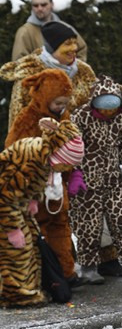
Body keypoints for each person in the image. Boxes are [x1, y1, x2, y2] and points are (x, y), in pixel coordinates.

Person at [69, 76, 122, 285]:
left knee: (121, 220)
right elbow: (73, 148)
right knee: (89, 226)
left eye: (112, 109)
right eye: (104, 110)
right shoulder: (80, 116)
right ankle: (88, 268)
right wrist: (75, 173)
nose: (108, 114)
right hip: (87, 184)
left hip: (113, 181)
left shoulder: (121, 117)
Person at [5, 69, 80, 283]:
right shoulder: (27, 119)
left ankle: (66, 272)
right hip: (33, 188)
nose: (61, 107)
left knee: (60, 228)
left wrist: (73, 172)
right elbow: (13, 149)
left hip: (57, 188)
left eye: (64, 103)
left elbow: (73, 146)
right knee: (35, 231)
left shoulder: (63, 117)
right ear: (44, 97)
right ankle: (40, 276)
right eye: (57, 103)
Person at [0, 119, 84, 309]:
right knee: (16, 250)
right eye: (65, 165)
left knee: (33, 245)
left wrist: (32, 200)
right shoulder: (30, 158)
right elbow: (5, 194)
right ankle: (15, 294)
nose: (64, 169)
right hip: (6, 208)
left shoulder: (43, 157)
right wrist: (12, 228)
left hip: (18, 205)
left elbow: (34, 182)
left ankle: (30, 287)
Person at [1, 21, 96, 128]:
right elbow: (18, 120)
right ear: (52, 48)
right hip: (42, 141)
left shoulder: (84, 71)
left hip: (79, 141)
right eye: (67, 43)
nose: (74, 48)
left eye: (75, 43)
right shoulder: (31, 73)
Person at [11, 0, 88, 62]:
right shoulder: (25, 32)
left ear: (52, 4)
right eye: (35, 5)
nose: (40, 8)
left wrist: (73, 69)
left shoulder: (65, 27)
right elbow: (19, 61)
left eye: (44, 5)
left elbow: (81, 48)